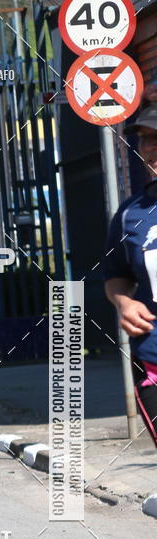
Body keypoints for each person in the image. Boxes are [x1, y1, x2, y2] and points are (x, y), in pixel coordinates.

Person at [104, 102, 157, 445]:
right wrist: (124, 302)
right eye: (145, 139)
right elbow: (116, 275)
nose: (150, 148)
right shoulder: (130, 214)